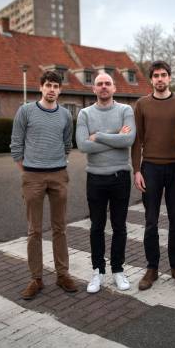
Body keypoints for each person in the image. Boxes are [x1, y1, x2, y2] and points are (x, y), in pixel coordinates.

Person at [11, 70, 77, 300]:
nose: (52, 90)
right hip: (33, 177)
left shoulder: (66, 116)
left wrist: (57, 164)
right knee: (34, 230)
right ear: (41, 87)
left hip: (58, 175)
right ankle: (36, 279)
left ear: (60, 90)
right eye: (48, 85)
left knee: (60, 228)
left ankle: (62, 275)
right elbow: (16, 145)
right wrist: (28, 171)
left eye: (56, 86)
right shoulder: (26, 111)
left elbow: (67, 143)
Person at [131, 60, 175, 290]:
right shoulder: (142, 104)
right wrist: (137, 170)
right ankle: (152, 268)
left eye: (163, 75)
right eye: (156, 75)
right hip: (151, 168)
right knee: (151, 221)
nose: (160, 79)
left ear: (169, 77)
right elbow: (137, 140)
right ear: (151, 79)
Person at [76, 73, 136, 293]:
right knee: (97, 227)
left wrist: (98, 136)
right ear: (94, 89)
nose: (103, 87)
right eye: (99, 84)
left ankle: (118, 269)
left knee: (119, 226)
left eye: (107, 84)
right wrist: (114, 137)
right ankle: (98, 271)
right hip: (95, 178)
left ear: (114, 87)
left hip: (120, 177)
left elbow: (128, 140)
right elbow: (82, 145)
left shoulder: (125, 110)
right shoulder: (84, 113)